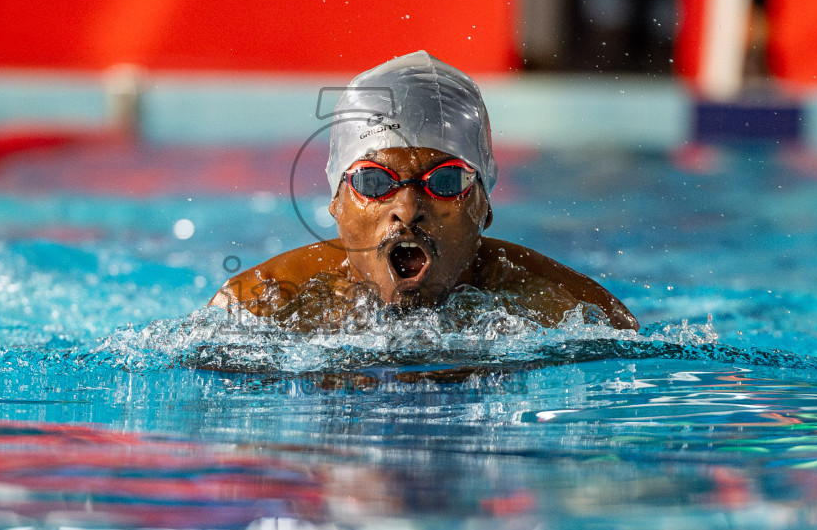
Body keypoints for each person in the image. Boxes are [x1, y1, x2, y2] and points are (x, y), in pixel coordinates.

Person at [210, 52, 638, 331]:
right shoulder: (260, 307)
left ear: (483, 207)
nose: (408, 209)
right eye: (373, 182)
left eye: (445, 181)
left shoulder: (569, 312)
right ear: (336, 204)